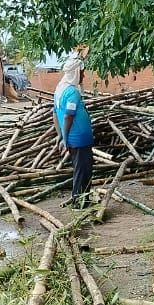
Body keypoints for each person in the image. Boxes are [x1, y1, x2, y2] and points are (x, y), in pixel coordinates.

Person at [54, 54, 94, 207]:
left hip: (76, 138)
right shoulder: (72, 93)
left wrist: (60, 135)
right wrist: (65, 138)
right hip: (78, 138)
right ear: (76, 72)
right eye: (82, 72)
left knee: (82, 169)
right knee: (82, 171)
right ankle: (79, 203)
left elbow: (54, 114)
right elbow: (68, 117)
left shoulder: (59, 90)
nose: (83, 74)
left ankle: (84, 200)